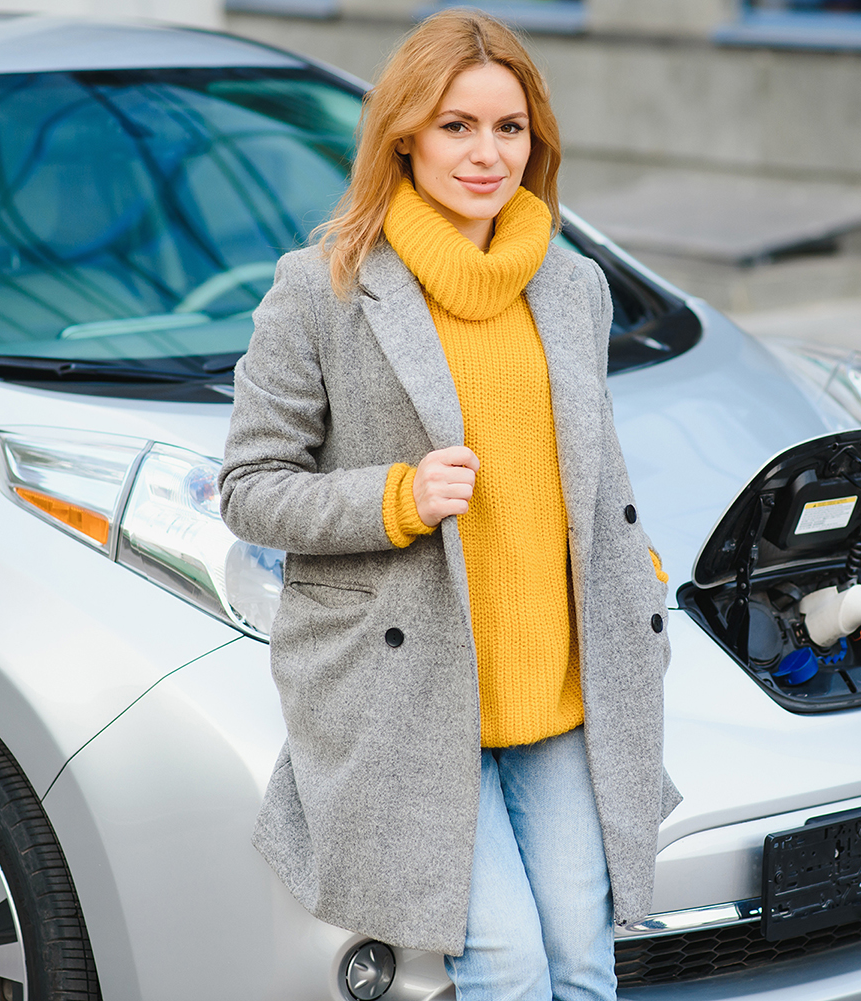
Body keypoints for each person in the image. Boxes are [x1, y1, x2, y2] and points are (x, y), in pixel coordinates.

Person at [217, 10, 680, 1001]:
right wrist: (397, 495)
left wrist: (638, 580)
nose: (486, 153)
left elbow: (598, 472)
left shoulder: (572, 285)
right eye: (457, 126)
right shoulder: (324, 287)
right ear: (405, 136)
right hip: (413, 691)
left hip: (558, 686)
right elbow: (251, 485)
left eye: (509, 127)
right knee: (506, 965)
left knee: (583, 959)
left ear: (536, 139)